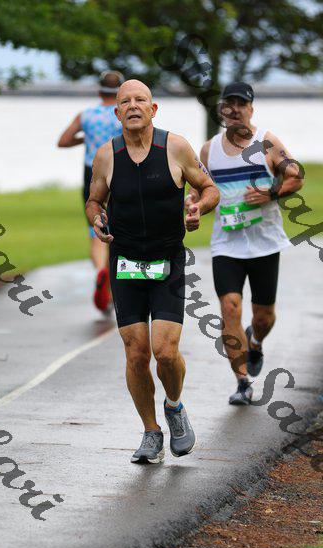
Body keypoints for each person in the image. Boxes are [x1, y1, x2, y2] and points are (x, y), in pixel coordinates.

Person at [85, 79, 219, 464]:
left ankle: (174, 406)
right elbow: (94, 200)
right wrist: (97, 219)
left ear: (153, 109)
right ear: (116, 112)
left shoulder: (175, 147)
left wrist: (197, 208)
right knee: (136, 353)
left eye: (140, 100)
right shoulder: (106, 155)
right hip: (125, 262)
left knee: (165, 351)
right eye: (125, 101)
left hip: (166, 261)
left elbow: (209, 188)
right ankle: (150, 431)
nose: (132, 106)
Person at [195, 82, 303, 405]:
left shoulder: (266, 142)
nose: (235, 109)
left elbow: (296, 176)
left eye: (241, 104)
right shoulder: (208, 150)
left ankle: (254, 341)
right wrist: (194, 204)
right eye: (229, 104)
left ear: (251, 109)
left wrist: (270, 193)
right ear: (222, 110)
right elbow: (201, 190)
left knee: (264, 316)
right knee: (229, 307)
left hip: (264, 244)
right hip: (226, 245)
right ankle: (242, 382)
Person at [58, 71, 124, 311]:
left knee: (96, 227)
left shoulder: (86, 115)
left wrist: (85, 139)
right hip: (120, 170)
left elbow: (63, 141)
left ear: (99, 91)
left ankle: (100, 270)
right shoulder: (123, 114)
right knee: (121, 229)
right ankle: (114, 287)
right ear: (120, 92)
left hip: (92, 174)